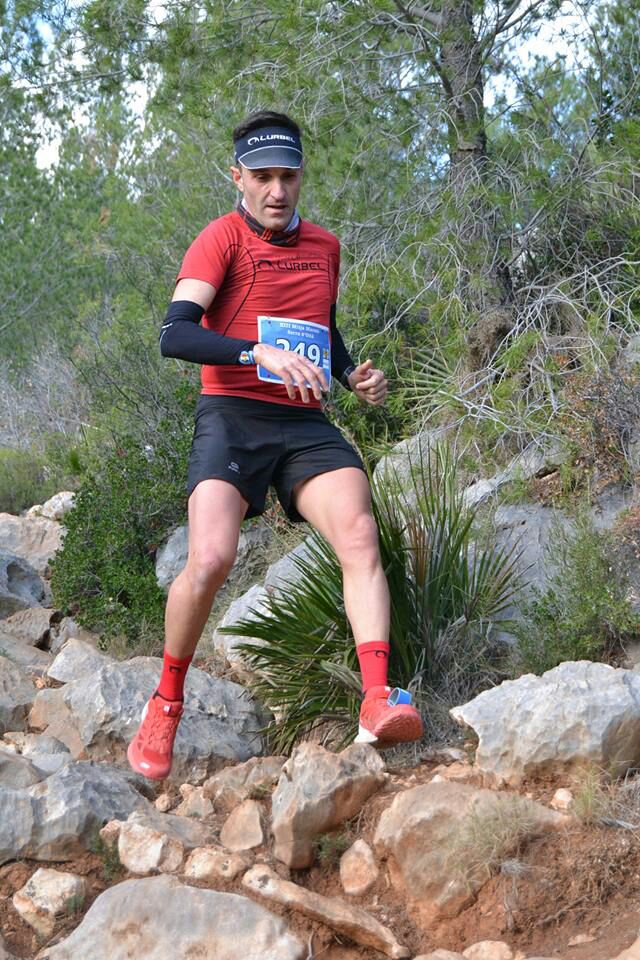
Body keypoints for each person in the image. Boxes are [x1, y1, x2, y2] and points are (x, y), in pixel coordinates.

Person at [127, 110, 423, 781]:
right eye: (262, 176)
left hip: (303, 424)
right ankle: (167, 699)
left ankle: (376, 697)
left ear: (300, 176)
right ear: (238, 177)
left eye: (287, 176)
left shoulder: (325, 246)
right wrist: (253, 351)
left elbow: (323, 326)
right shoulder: (220, 240)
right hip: (231, 415)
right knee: (209, 559)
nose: (276, 190)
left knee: (359, 533)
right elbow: (176, 333)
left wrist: (353, 375)